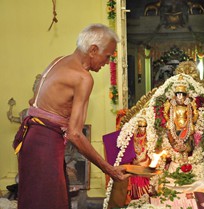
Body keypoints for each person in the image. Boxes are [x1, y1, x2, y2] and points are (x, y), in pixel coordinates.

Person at [12, 23, 130, 209]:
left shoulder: (58, 61)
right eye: (107, 56)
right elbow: (75, 133)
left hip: (31, 139)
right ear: (93, 50)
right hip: (45, 144)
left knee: (36, 199)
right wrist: (109, 169)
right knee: (49, 202)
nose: (107, 63)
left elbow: (33, 100)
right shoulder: (83, 78)